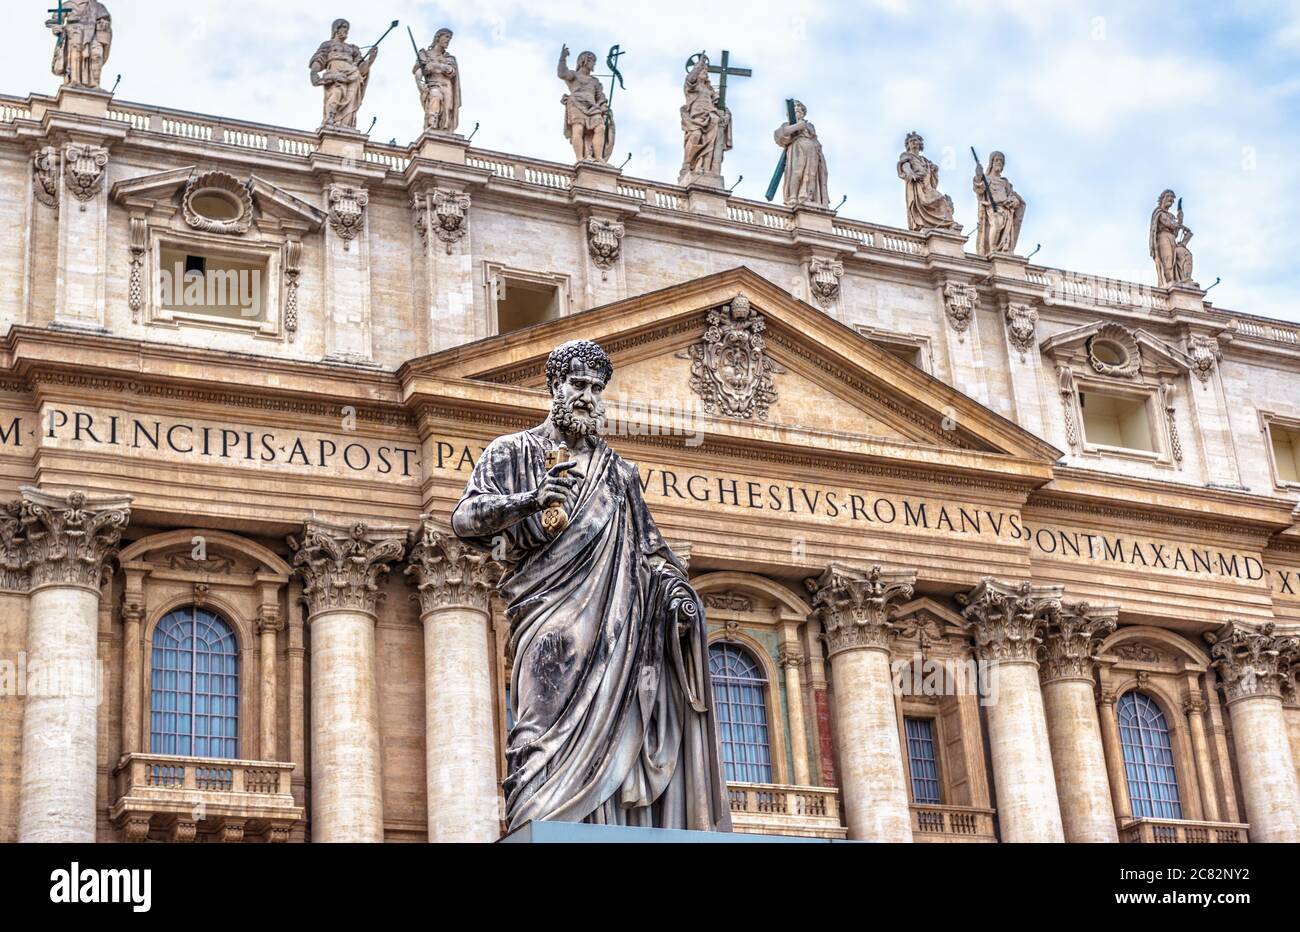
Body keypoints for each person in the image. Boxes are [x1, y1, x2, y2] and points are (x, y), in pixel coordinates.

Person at [452, 340, 731, 831]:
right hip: (547, 616)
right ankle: (535, 828)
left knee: (612, 728)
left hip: (616, 630)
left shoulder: (620, 474)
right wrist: (530, 500)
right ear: (554, 387)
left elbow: (650, 553)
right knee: (536, 735)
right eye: (577, 385)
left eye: (596, 389)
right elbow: (465, 518)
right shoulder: (515, 451)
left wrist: (677, 598)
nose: (586, 397)